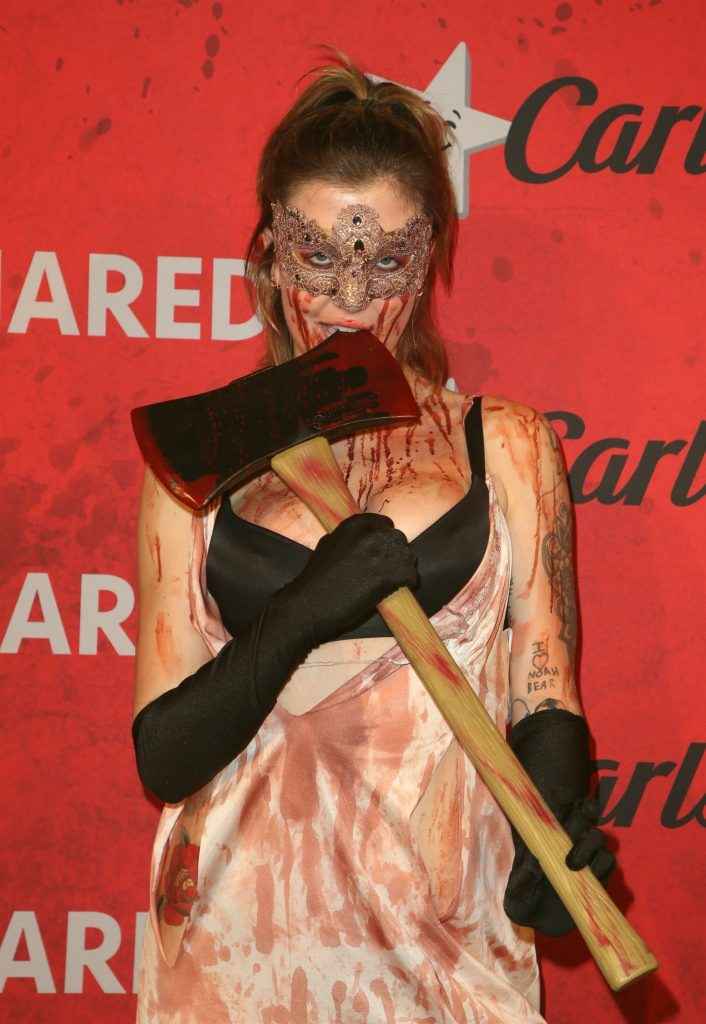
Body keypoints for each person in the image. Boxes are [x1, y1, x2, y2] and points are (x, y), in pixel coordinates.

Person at [132, 52, 614, 1023]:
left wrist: (556, 813)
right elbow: (165, 756)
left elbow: (544, 689)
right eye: (318, 256)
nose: (350, 298)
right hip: (240, 952)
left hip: (452, 933)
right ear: (270, 252)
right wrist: (306, 607)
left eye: (386, 262)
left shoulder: (509, 444)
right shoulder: (196, 465)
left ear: (430, 257)